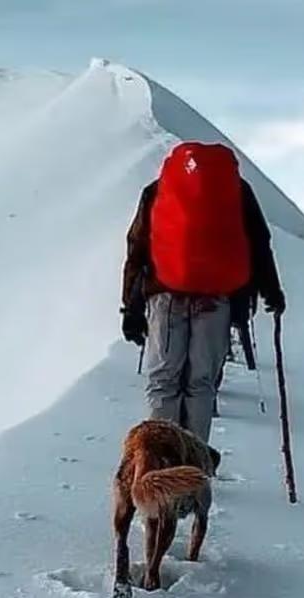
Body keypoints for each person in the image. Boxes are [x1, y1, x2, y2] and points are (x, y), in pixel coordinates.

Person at [120, 142, 284, 442]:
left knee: (163, 381)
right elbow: (259, 243)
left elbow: (138, 247)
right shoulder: (237, 189)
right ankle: (194, 469)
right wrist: (271, 291)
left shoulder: (157, 190)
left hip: (165, 296)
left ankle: (163, 466)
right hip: (216, 299)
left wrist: (131, 307)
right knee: (201, 384)